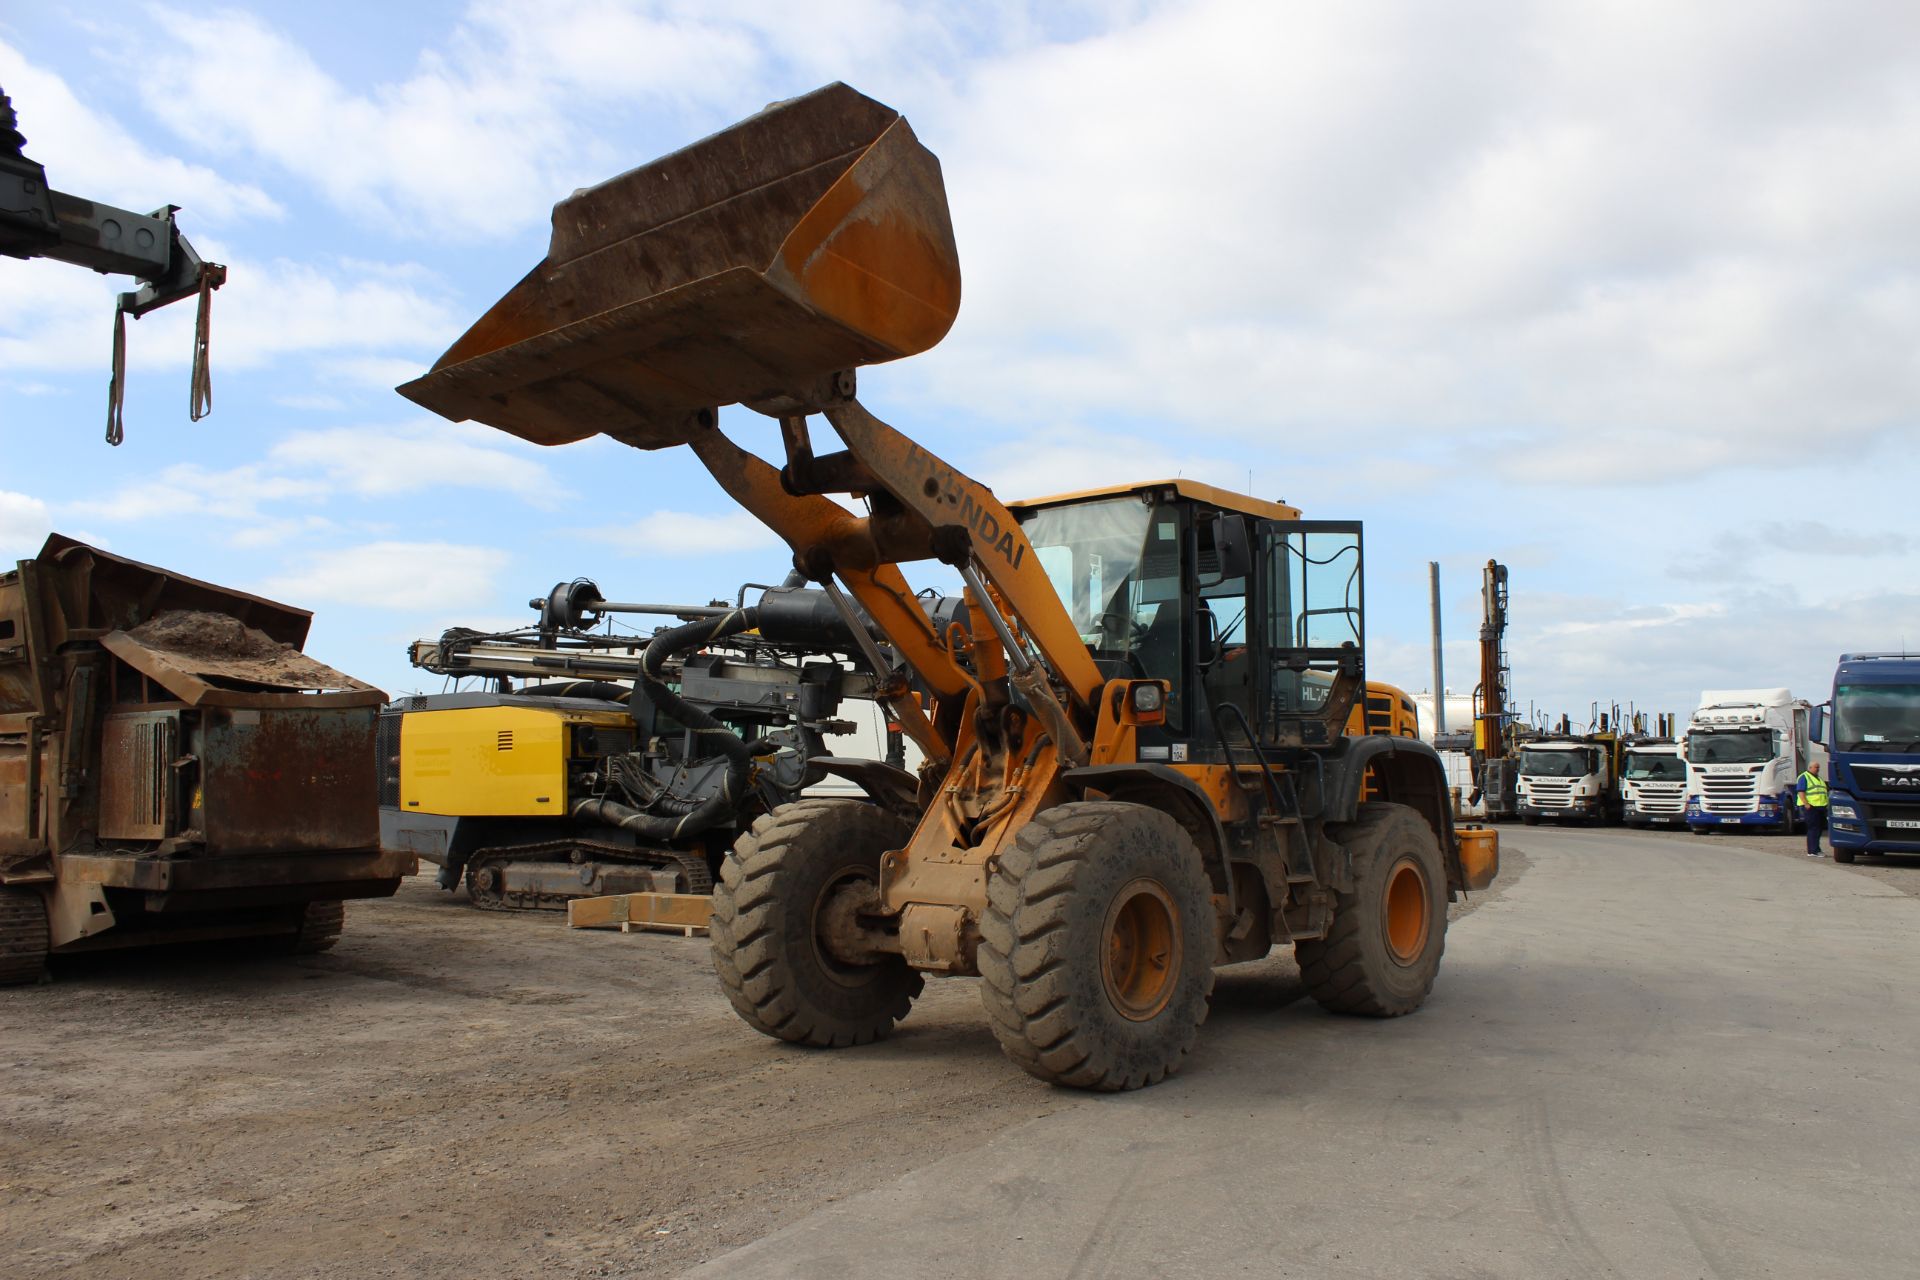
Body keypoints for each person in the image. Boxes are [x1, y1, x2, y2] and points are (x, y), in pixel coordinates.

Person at [1796, 761, 1829, 857]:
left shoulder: (1819, 779)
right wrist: (1806, 804)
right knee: (1813, 829)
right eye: (1816, 767)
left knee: (1818, 829)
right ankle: (1813, 851)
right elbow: (1801, 791)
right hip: (1811, 807)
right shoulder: (1804, 777)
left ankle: (1815, 849)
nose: (1817, 769)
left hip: (1820, 807)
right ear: (1810, 767)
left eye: (1818, 767)